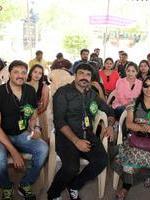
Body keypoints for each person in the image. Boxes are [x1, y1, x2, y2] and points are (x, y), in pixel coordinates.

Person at [47, 63, 115, 200]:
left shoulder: (92, 94)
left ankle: (74, 185)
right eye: (81, 73)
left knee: (102, 160)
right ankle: (53, 193)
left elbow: (109, 111)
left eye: (88, 74)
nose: (84, 77)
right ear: (75, 75)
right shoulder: (62, 93)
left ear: (91, 78)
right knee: (71, 168)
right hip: (67, 137)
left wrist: (110, 125)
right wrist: (76, 141)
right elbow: (59, 121)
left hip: (87, 135)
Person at [113, 76, 150, 200]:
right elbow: (129, 124)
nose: (149, 89)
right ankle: (125, 187)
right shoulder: (134, 103)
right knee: (128, 161)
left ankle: (148, 174)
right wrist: (146, 128)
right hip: (136, 140)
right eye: (146, 85)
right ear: (142, 87)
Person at [0, 60, 48, 200]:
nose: (20, 75)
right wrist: (14, 152)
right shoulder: (1, 92)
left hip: (21, 134)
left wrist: (35, 128)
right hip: (3, 137)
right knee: (0, 158)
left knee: (43, 148)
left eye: (23, 72)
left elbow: (32, 114)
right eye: (16, 72)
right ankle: (6, 186)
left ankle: (25, 183)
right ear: (9, 73)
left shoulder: (29, 90)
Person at [27, 64, 50, 141]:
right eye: (35, 72)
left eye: (40, 73)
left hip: (39, 114)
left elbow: (45, 106)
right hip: (25, 114)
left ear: (42, 75)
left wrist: (34, 116)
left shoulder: (44, 87)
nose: (37, 75)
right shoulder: (24, 85)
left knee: (41, 139)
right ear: (31, 73)